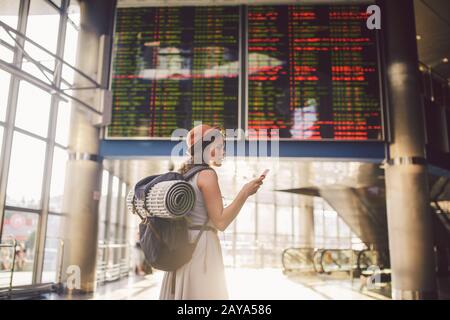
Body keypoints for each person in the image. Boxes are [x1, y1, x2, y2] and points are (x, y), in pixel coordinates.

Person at [159, 124, 264, 299]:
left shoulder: (185, 174)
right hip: (201, 249)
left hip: (182, 247)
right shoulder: (207, 175)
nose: (223, 151)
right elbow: (220, 222)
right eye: (220, 146)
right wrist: (245, 192)